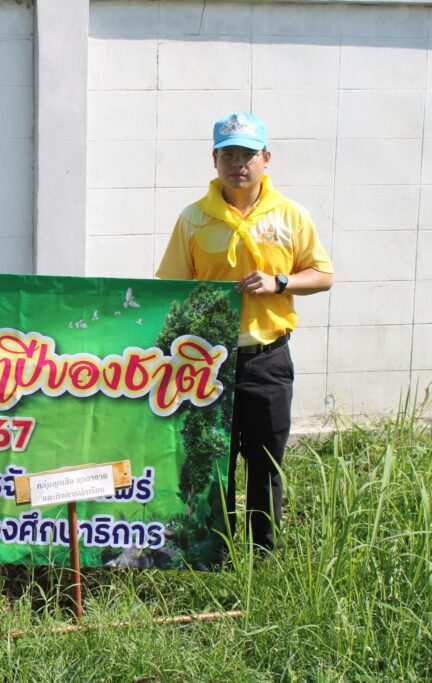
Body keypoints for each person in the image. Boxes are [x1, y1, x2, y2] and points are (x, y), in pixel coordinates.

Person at [156, 112, 334, 558]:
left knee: (266, 462)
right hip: (209, 364)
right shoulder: (194, 219)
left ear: (266, 158)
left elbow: (323, 274)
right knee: (212, 461)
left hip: (268, 358)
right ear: (214, 159)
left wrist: (280, 282)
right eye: (229, 154)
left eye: (248, 154)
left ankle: (263, 557)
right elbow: (171, 289)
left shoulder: (291, 215)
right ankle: (215, 556)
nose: (239, 164)